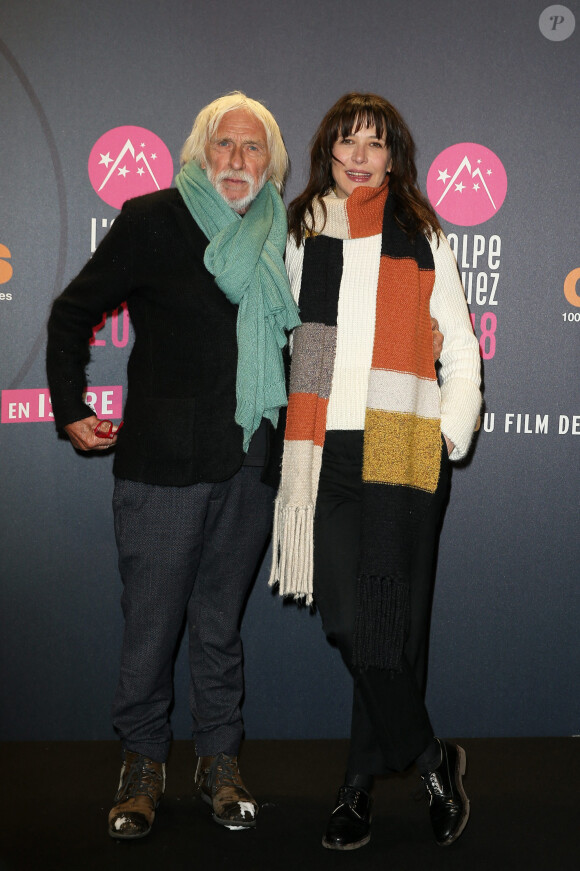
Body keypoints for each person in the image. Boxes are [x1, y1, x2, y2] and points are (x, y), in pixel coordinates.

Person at [46, 92, 300, 839]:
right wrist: (68, 407)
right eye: (225, 144)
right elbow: (70, 312)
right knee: (153, 626)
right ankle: (143, 762)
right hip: (161, 468)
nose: (238, 160)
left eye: (254, 149)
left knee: (219, 624)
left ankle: (220, 759)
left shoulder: (279, 231)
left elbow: (300, 342)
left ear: (271, 164)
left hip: (251, 461)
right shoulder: (153, 218)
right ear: (199, 152)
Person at [270, 93, 481, 851]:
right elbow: (287, 334)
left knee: (386, 631)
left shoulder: (420, 232)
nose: (360, 155)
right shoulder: (303, 230)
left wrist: (447, 434)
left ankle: (356, 789)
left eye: (375, 143)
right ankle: (433, 759)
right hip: (326, 452)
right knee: (349, 622)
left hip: (402, 450)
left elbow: (458, 347)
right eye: (346, 142)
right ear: (328, 151)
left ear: (395, 157)